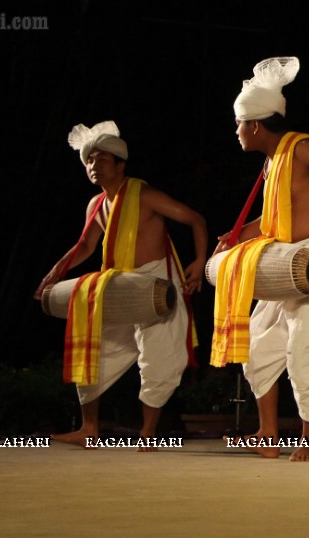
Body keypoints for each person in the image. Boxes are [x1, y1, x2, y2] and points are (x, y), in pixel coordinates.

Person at [212, 57, 309, 461]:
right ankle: (267, 434)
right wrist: (232, 239)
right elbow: (269, 221)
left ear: (255, 125)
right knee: (259, 348)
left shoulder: (303, 148)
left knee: (306, 350)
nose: (236, 132)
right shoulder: (273, 162)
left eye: (238, 124)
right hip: (284, 263)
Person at [36, 120, 207, 446]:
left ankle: (147, 433)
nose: (93, 166)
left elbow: (194, 219)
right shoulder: (97, 204)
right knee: (94, 349)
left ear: (120, 165)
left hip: (157, 282)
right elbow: (85, 246)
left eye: (100, 160)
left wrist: (199, 261)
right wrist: (54, 273)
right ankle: (88, 429)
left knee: (159, 356)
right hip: (118, 286)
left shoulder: (145, 195)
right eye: (89, 161)